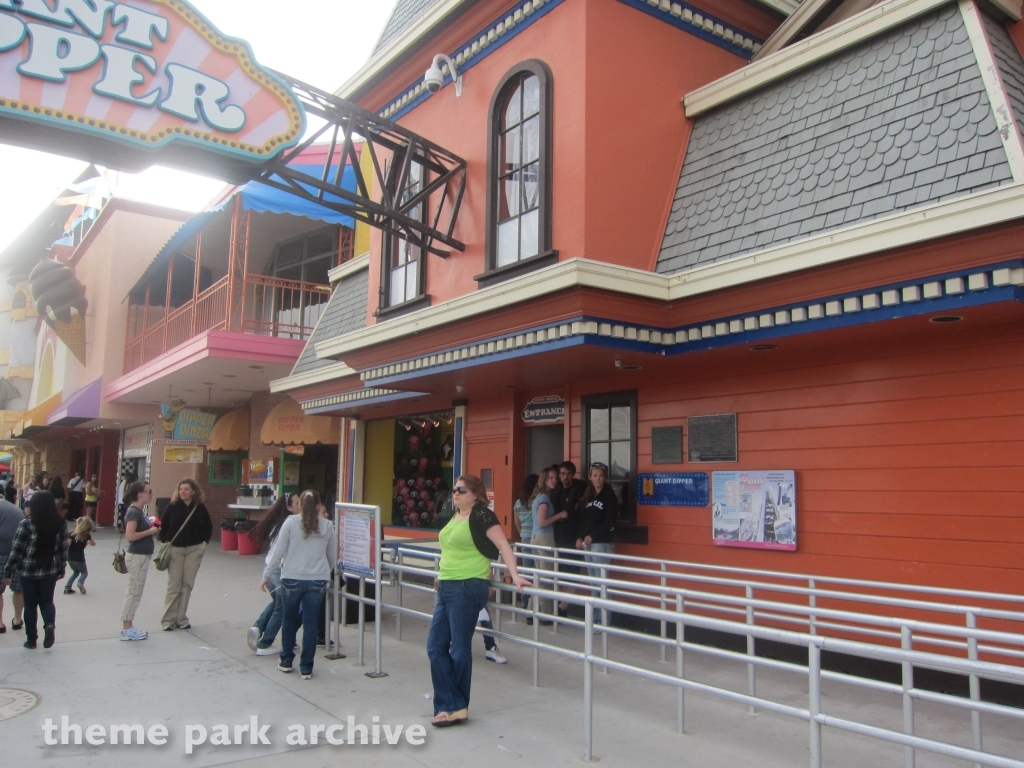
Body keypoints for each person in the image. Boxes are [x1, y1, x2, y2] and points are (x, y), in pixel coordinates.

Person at [427, 474, 529, 727]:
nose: (456, 493)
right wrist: (440, 575)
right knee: (434, 645)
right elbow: (450, 549)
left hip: (468, 584)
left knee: (459, 647)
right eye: (454, 489)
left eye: (461, 489)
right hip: (447, 584)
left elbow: (504, 545)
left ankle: (452, 707)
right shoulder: (454, 517)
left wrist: (514, 575)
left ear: (475, 493)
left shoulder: (482, 515)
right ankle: (453, 703)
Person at [261, 491, 336, 680]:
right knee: (310, 624)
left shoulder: (290, 523)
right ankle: (306, 667)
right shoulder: (327, 526)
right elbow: (333, 556)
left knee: (289, 619)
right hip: (317, 579)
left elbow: (278, 553)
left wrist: (266, 576)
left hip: (291, 578)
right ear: (318, 505)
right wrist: (325, 571)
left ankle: (286, 660)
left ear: (300, 505)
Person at [2, 491, 67, 649]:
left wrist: (8, 571)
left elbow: (17, 550)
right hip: (49, 569)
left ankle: (31, 639)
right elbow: (63, 548)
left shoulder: (27, 523)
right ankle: (49, 625)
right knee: (46, 601)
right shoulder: (60, 523)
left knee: (30, 604)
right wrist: (62, 567)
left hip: (27, 571)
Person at [247, 492, 299, 656]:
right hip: (277, 569)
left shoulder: (281, 523)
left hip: (271, 567)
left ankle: (258, 626)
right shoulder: (289, 524)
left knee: (277, 602)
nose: (300, 505)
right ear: (289, 507)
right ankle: (265, 643)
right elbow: (280, 553)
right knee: (281, 607)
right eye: (297, 503)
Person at [159, 478, 212, 631]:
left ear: (193, 491)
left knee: (187, 585)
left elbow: (208, 526)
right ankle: (168, 619)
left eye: (186, 489)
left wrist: (204, 544)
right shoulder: (173, 506)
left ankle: (181, 618)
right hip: (176, 549)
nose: (183, 491)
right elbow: (163, 525)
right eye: (181, 489)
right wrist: (165, 540)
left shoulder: (200, 507)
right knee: (174, 585)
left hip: (194, 549)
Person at [576, 462, 618, 621]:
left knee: (602, 584)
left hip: (602, 543)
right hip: (588, 544)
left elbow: (610, 522)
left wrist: (593, 535)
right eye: (595, 475)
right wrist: (580, 537)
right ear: (590, 477)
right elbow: (582, 519)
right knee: (594, 584)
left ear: (605, 478)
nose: (598, 479)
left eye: (601, 476)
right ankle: (595, 620)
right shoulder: (587, 495)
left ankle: (604, 621)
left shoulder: (609, 496)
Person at [121, 481, 159, 640]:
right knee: (133, 591)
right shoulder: (134, 512)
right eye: (148, 491)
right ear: (139, 494)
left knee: (136, 591)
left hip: (142, 555)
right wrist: (150, 531)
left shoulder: (139, 512)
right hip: (137, 556)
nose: (151, 494)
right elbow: (130, 536)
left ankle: (129, 625)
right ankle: (126, 628)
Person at [528, 467, 564, 625]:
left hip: (534, 538)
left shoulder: (537, 497)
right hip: (544, 538)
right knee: (546, 578)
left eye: (555, 478)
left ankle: (530, 612)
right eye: (551, 478)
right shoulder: (544, 498)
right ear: (544, 479)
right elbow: (542, 522)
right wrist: (559, 515)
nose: (554, 480)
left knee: (538, 577)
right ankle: (547, 615)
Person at [553, 461, 587, 616]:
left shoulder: (580, 491)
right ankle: (559, 604)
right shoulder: (556, 490)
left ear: (573, 474)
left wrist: (579, 536)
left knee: (573, 574)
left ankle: (563, 607)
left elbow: (582, 517)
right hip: (557, 537)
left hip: (573, 538)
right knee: (557, 574)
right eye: (562, 473)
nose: (565, 477)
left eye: (568, 473)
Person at [0, 493, 26, 633]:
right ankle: (17, 620)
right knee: (18, 588)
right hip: (19, 551)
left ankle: (0, 623)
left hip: (1, 551)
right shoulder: (16, 509)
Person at [512, 473, 538, 611]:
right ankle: (530, 601)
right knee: (537, 570)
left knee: (526, 570)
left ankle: (524, 599)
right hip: (536, 536)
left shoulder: (517, 503)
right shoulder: (536, 501)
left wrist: (523, 532)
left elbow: (516, 523)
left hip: (524, 537)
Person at [63, 516, 95, 594]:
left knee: (75, 572)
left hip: (70, 557)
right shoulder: (87, 535)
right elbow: (93, 543)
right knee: (84, 572)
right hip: (79, 558)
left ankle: (67, 587)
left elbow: (68, 545)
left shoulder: (71, 534)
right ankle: (80, 582)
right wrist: (87, 542)